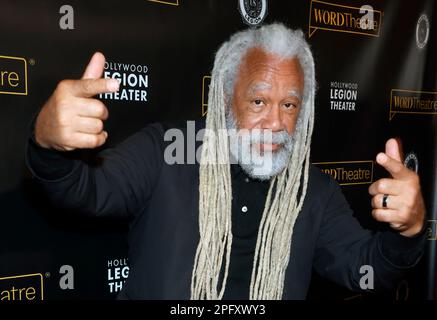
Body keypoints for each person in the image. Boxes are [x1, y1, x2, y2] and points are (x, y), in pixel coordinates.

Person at [25, 23, 426, 300]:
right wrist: (48, 143)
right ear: (223, 99)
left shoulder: (313, 192)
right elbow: (85, 191)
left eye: (289, 105)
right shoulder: (165, 152)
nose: (275, 122)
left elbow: (366, 269)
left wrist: (407, 231)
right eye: (258, 101)